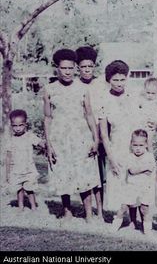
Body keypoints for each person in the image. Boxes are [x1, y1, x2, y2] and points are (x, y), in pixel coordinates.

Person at [43, 49, 100, 222]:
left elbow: (89, 115)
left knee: (84, 175)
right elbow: (47, 117)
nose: (67, 72)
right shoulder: (49, 89)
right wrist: (49, 143)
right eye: (63, 68)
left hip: (81, 138)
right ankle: (67, 211)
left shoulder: (83, 88)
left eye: (70, 68)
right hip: (59, 140)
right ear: (57, 69)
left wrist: (96, 139)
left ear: (75, 68)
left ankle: (89, 213)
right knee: (63, 174)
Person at [98, 60, 137, 221]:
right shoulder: (104, 100)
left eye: (122, 79)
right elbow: (104, 135)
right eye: (115, 80)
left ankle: (135, 220)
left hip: (135, 146)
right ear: (108, 80)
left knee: (135, 181)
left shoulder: (133, 97)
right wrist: (111, 158)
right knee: (118, 181)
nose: (119, 83)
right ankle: (119, 218)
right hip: (116, 147)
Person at [75, 46, 105, 221]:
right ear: (78, 67)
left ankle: (100, 211)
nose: (87, 70)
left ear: (94, 66)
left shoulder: (100, 84)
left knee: (99, 174)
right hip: (82, 134)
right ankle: (87, 210)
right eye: (83, 67)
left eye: (90, 67)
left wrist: (100, 136)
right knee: (83, 173)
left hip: (100, 133)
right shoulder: (75, 85)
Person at [110, 130, 156, 235]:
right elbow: (132, 170)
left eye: (141, 145)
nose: (138, 148)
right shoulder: (130, 156)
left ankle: (147, 230)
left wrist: (142, 169)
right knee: (124, 207)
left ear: (146, 145)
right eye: (135, 145)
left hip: (145, 187)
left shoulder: (149, 156)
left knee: (145, 209)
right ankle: (115, 225)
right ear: (131, 144)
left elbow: (151, 170)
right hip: (131, 186)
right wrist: (145, 168)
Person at [4, 109, 45, 211]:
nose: (18, 128)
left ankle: (33, 206)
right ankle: (20, 206)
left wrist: (47, 144)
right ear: (11, 125)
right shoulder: (11, 139)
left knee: (30, 189)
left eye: (20, 125)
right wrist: (8, 173)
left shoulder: (29, 136)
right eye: (15, 126)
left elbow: (40, 143)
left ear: (25, 124)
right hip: (16, 170)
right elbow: (8, 157)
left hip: (28, 169)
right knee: (19, 190)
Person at [133, 77, 157, 153]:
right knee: (139, 140)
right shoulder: (142, 101)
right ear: (144, 90)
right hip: (142, 123)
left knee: (149, 142)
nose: (150, 95)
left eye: (153, 93)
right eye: (148, 93)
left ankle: (150, 157)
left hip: (152, 124)